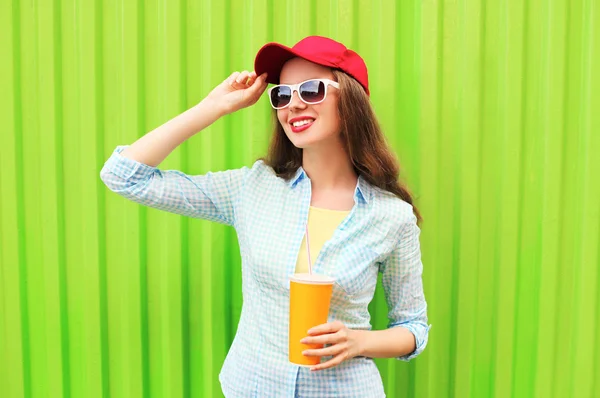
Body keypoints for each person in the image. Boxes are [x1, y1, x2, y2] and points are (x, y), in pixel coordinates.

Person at [100, 35, 430, 398]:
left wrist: (359, 341)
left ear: (350, 99)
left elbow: (412, 326)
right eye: (282, 95)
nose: (293, 104)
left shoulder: (392, 217)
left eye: (311, 89)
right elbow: (123, 176)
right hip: (253, 387)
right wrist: (213, 107)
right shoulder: (252, 188)